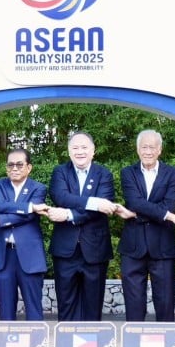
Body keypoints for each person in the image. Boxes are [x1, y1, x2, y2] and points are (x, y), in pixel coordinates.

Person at [116, 130, 175, 322]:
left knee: (165, 303)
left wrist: (134, 215)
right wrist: (168, 216)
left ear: (160, 150)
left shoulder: (173, 173)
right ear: (137, 149)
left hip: (163, 246)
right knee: (133, 303)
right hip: (133, 247)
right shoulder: (128, 173)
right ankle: (134, 344)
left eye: (152, 147)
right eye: (144, 147)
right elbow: (134, 201)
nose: (148, 151)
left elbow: (169, 205)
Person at [45, 131, 120, 321]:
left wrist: (68, 213)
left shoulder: (104, 174)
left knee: (93, 306)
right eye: (75, 148)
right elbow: (61, 197)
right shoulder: (60, 172)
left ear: (93, 151)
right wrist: (95, 202)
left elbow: (103, 208)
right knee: (66, 304)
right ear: (69, 151)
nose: (80, 151)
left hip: (94, 249)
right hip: (65, 250)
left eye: (84, 147)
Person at [0, 149, 48, 321]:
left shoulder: (39, 188)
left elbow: (29, 216)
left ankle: (37, 345)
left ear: (29, 167)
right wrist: (29, 207)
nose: (15, 168)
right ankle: (6, 344)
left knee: (33, 307)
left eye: (20, 164)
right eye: (10, 164)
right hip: (3, 255)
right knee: (5, 308)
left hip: (30, 255)